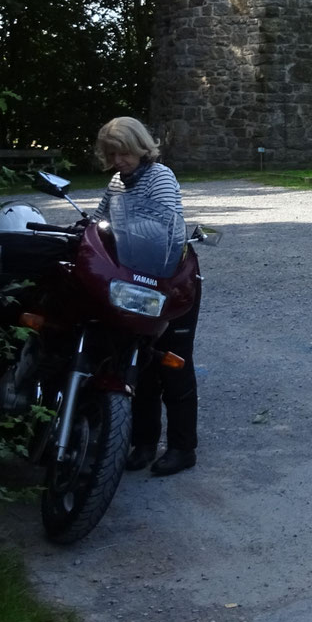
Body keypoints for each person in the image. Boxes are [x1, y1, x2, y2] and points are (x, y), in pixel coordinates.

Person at [94, 116, 201, 476]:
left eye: (123, 152)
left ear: (140, 147)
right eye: (111, 154)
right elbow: (99, 219)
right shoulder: (116, 182)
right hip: (135, 280)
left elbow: (168, 224)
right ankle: (142, 443)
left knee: (172, 363)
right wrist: (89, 230)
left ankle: (183, 448)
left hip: (173, 281)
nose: (118, 160)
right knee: (136, 363)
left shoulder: (161, 177)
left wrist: (122, 229)